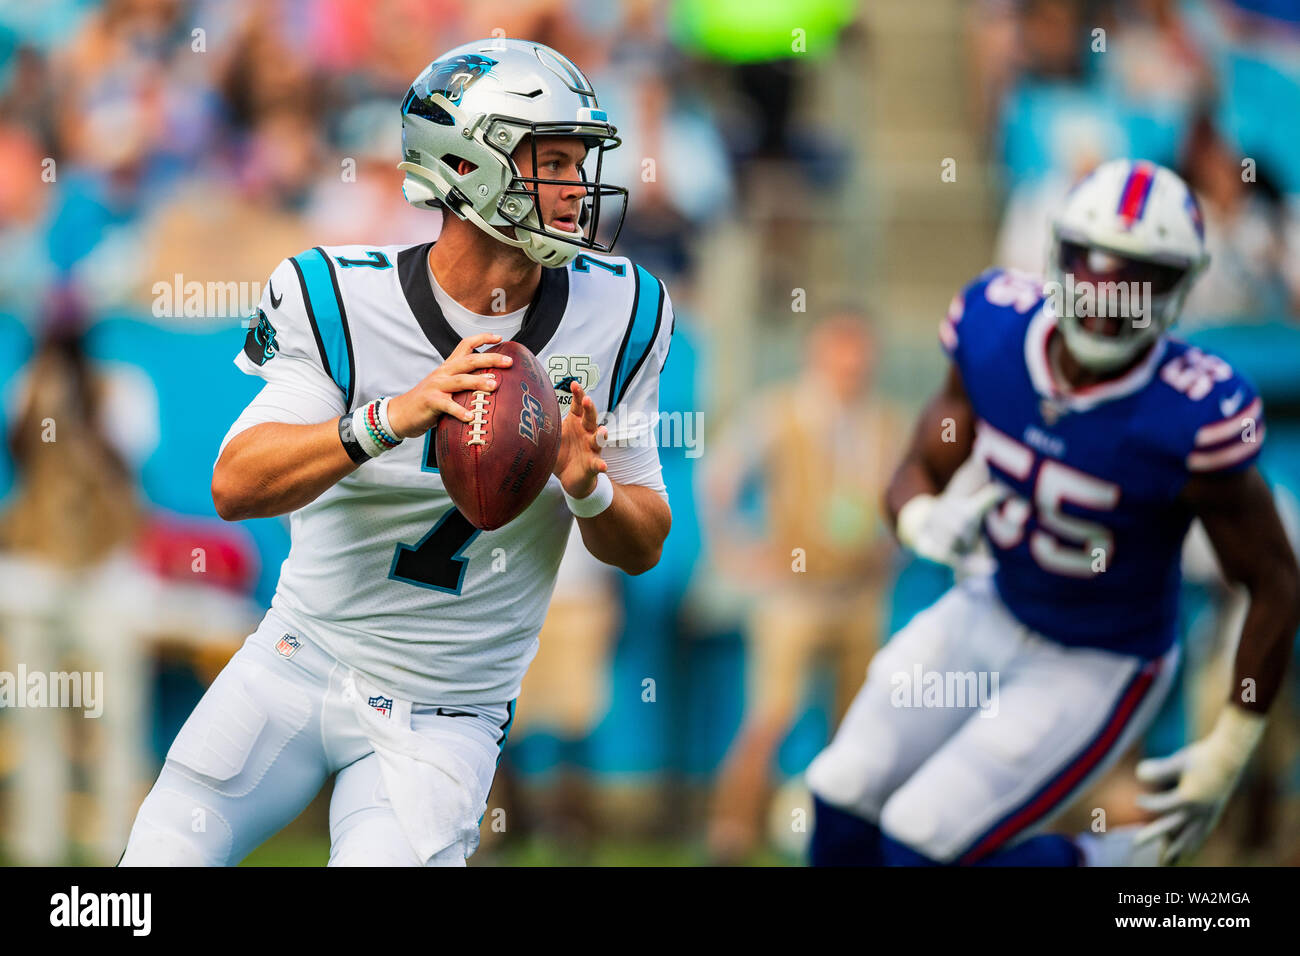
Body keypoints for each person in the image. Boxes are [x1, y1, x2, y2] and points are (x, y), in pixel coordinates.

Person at [120, 38, 674, 867]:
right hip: (298, 662)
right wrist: (388, 417)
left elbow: (645, 540)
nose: (575, 188)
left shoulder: (622, 311)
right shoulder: (341, 294)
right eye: (550, 161)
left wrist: (589, 489)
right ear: (466, 163)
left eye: (579, 160)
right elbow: (235, 484)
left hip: (447, 713)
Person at [806, 159, 1300, 866]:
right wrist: (920, 519)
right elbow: (920, 469)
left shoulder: (1193, 411)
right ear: (1054, 257)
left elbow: (1276, 579)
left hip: (1099, 658)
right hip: (991, 604)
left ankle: (1103, 864)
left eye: (1136, 275)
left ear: (1180, 288)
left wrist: (1230, 744)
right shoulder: (994, 329)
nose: (1105, 294)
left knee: (921, 836)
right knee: (839, 787)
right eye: (1090, 265)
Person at [705, 313, 903, 862]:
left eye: (858, 353)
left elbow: (903, 499)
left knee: (860, 725)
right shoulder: (779, 412)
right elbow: (719, 476)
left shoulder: (885, 422)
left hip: (859, 594)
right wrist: (736, 552)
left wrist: (894, 549)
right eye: (840, 352)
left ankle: (852, 842)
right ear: (817, 354)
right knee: (771, 718)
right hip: (791, 596)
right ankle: (731, 836)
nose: (850, 365)